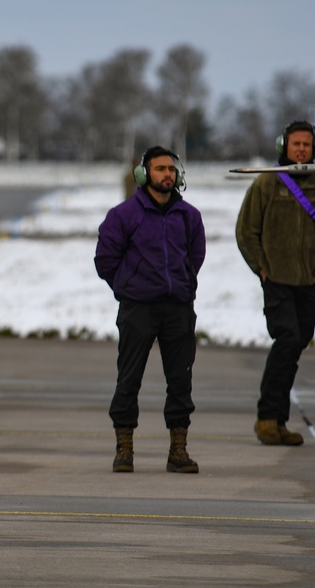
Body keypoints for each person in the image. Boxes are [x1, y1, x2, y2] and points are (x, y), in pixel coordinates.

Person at [95, 146, 206, 474]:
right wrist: (128, 286)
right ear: (144, 175)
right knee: (128, 379)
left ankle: (178, 450)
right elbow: (106, 260)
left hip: (178, 309)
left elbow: (194, 257)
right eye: (159, 169)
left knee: (180, 382)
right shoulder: (122, 215)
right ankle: (124, 449)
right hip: (137, 309)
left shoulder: (189, 216)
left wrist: (181, 284)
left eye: (171, 169)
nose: (167, 175)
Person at [236, 120, 315, 446]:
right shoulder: (266, 184)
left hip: (312, 282)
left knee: (294, 348)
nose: (301, 150)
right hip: (278, 280)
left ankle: (279, 421)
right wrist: (263, 270)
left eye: (306, 145)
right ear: (284, 146)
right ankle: (267, 418)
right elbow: (246, 231)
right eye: (295, 144)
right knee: (287, 340)